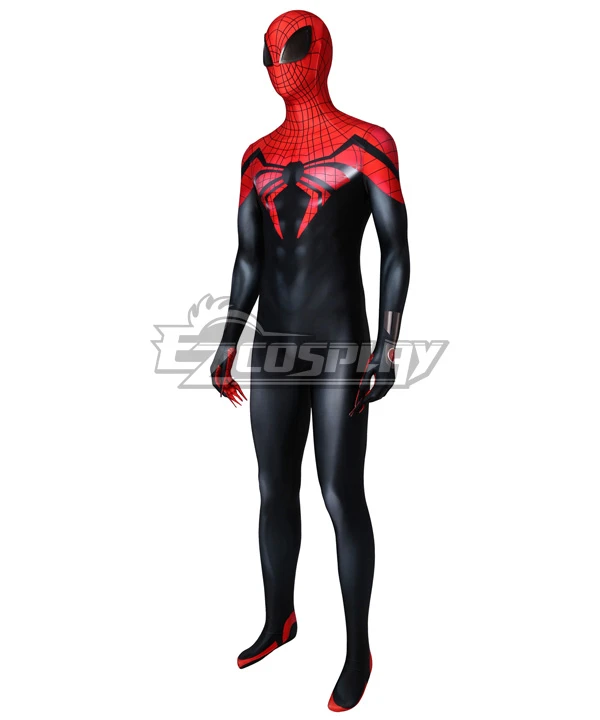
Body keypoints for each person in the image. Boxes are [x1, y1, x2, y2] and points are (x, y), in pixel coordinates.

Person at [210, 9, 410, 711]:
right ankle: (280, 620)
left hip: (339, 344)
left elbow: (395, 250)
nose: (278, 66)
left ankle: (358, 650)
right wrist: (228, 339)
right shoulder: (255, 157)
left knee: (339, 492)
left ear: (319, 53)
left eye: (289, 50)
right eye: (268, 54)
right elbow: (248, 258)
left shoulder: (367, 144)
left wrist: (388, 345)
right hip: (274, 345)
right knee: (272, 489)